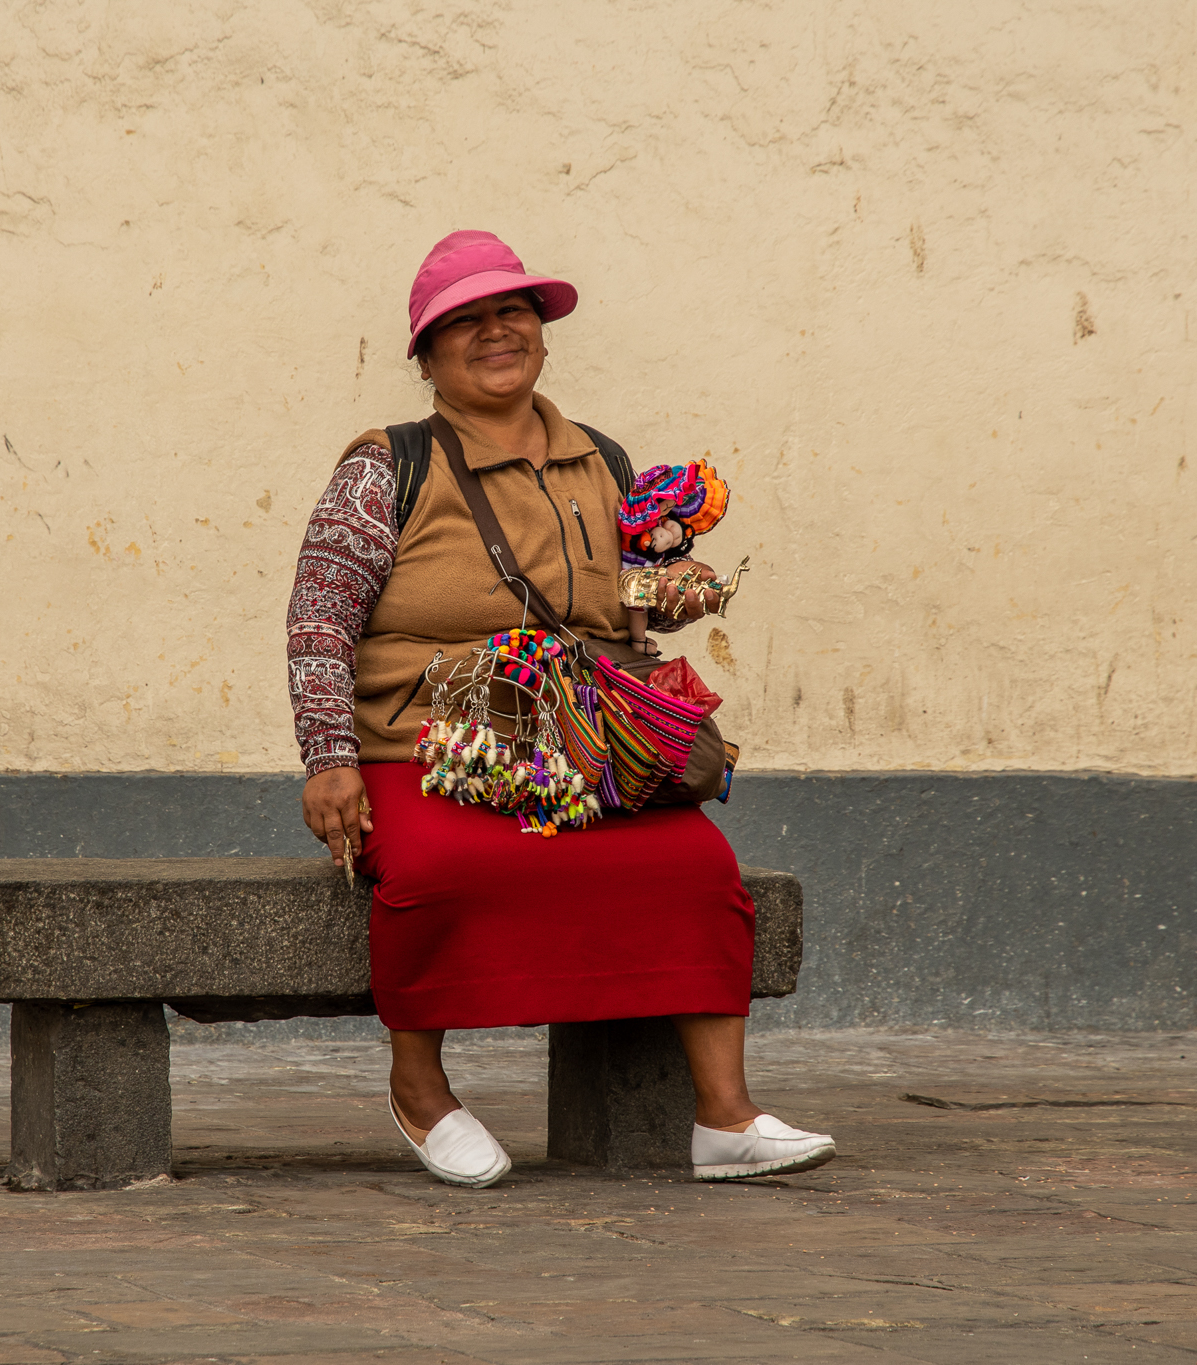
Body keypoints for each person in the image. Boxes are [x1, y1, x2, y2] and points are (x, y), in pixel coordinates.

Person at [284, 230, 835, 1187]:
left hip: (581, 740)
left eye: (514, 312)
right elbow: (319, 617)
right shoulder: (387, 466)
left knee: (696, 866)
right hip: (430, 746)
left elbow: (624, 612)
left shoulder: (603, 461)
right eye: (465, 321)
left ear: (542, 335)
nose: (496, 331)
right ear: (426, 357)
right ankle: (420, 1091)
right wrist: (329, 759)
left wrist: (672, 595)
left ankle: (725, 1116)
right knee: (440, 870)